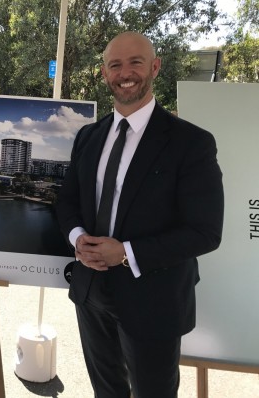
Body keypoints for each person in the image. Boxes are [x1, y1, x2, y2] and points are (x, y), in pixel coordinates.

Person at [56, 31, 224, 398]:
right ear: (104, 74)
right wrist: (77, 237)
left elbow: (205, 232)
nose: (125, 72)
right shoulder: (88, 137)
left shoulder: (191, 143)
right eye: (115, 64)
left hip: (154, 301)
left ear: (155, 67)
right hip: (90, 292)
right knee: (107, 392)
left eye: (135, 62)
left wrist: (127, 252)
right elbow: (67, 201)